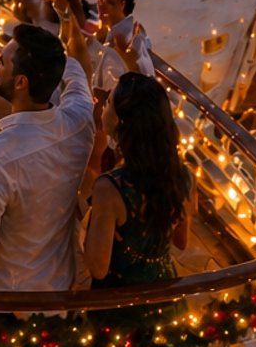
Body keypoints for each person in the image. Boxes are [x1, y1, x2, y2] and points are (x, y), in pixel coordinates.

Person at [0, 24, 96, 291]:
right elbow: (75, 72)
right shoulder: (80, 121)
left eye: (2, 62)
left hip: (8, 295)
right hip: (60, 285)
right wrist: (51, 58)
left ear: (21, 82)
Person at [83, 73, 194, 287]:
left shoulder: (110, 187)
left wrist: (94, 158)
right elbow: (181, 241)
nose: (102, 108)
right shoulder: (184, 175)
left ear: (119, 121)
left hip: (119, 303)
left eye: (107, 103)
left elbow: (97, 268)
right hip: (163, 293)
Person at [90, 0, 152, 95]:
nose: (100, 5)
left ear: (122, 5)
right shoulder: (108, 31)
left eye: (108, 2)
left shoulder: (130, 40)